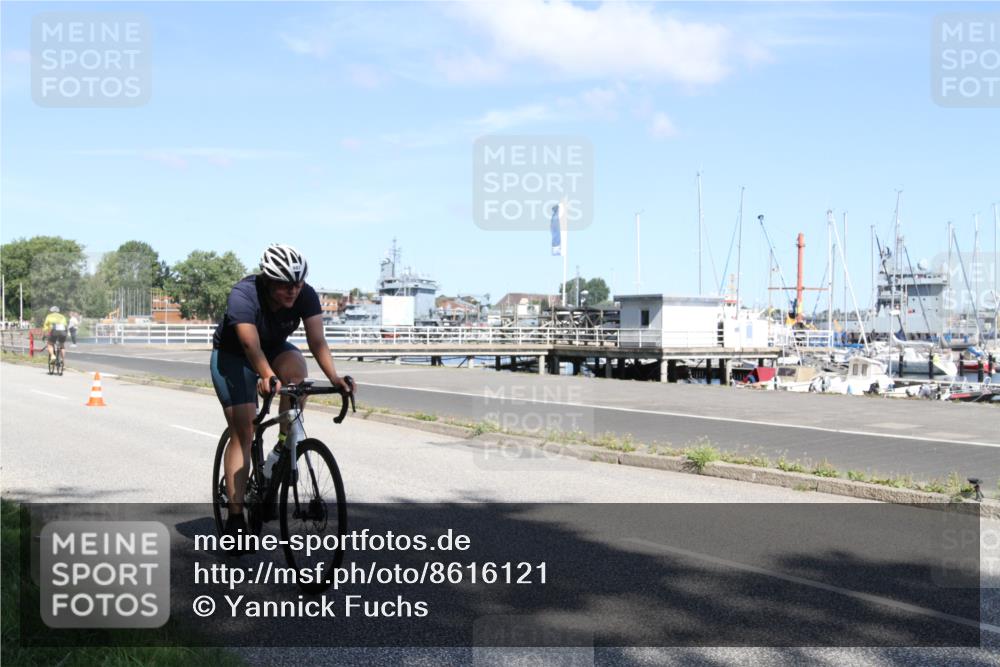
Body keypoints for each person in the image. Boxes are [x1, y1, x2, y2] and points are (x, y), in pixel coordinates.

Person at [210, 244, 353, 543]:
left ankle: (283, 450)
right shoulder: (243, 295)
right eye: (286, 285)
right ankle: (236, 517)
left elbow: (317, 342)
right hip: (234, 357)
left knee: (298, 375)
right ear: (268, 280)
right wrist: (266, 375)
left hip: (274, 350)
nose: (293, 291)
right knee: (244, 431)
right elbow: (250, 346)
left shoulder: (306, 294)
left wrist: (335, 378)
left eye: (298, 284)